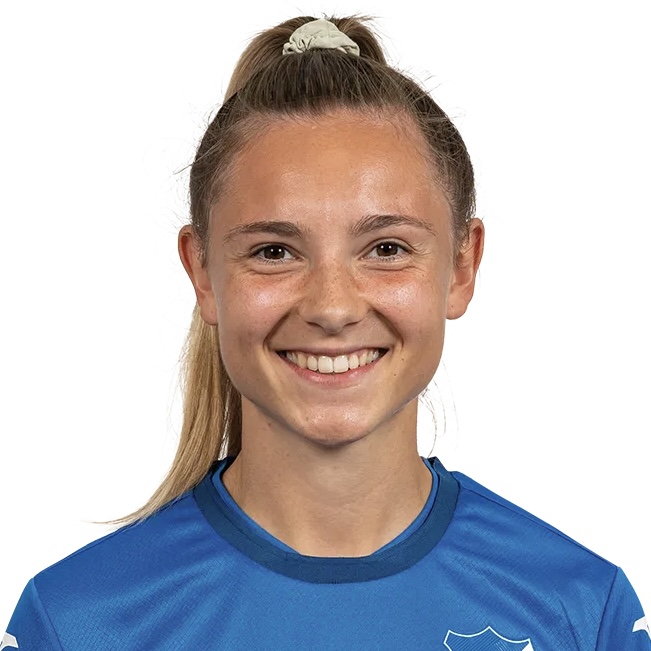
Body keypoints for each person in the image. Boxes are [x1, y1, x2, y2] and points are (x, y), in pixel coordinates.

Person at [3, 15, 649, 651]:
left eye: (387, 248)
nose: (332, 307)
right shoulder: (76, 624)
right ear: (202, 273)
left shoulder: (582, 612)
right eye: (274, 252)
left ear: (461, 266)